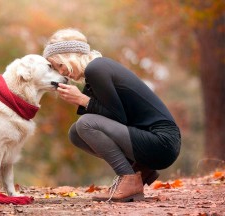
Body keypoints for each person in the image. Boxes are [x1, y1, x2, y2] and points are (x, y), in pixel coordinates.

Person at [43, 28, 181, 202]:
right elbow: (115, 117)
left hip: (162, 143)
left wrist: (82, 100)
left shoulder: (96, 68)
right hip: (153, 141)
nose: (61, 73)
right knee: (76, 133)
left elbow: (117, 118)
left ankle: (128, 177)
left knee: (85, 123)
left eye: (60, 65)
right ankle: (139, 170)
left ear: (70, 56)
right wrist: (82, 99)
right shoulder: (96, 71)